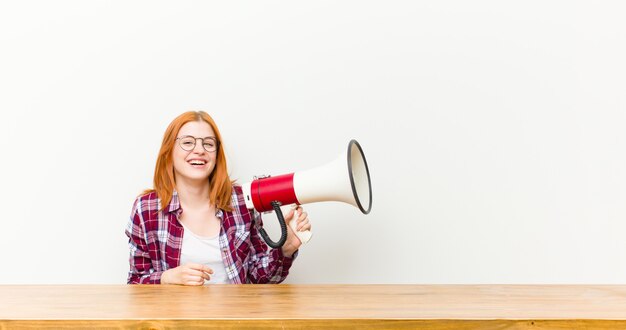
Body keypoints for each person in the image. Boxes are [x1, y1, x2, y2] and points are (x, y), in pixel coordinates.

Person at [125, 111, 311, 285]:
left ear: (216, 154)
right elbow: (135, 284)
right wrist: (166, 278)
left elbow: (260, 280)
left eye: (208, 143)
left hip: (236, 317)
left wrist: (285, 249)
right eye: (188, 142)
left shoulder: (242, 202)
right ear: (169, 151)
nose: (199, 150)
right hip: (176, 319)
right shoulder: (146, 209)